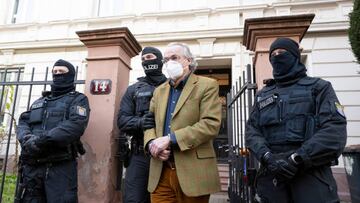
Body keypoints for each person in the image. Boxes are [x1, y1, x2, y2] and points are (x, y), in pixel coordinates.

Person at [245, 37, 347, 203]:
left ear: (294, 56)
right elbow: (252, 132)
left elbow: (334, 132)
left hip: (311, 178)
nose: (277, 56)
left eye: (282, 52)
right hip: (272, 178)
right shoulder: (263, 95)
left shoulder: (319, 88)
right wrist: (267, 157)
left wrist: (297, 158)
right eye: (274, 53)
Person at [144, 42, 222, 203]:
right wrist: (152, 143)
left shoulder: (207, 85)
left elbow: (210, 124)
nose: (169, 63)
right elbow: (148, 122)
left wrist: (170, 139)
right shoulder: (159, 91)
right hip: (161, 171)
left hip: (194, 170)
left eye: (174, 57)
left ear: (188, 60)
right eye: (166, 60)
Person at [16, 59, 90, 203]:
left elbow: (75, 125)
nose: (57, 74)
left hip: (60, 167)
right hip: (33, 167)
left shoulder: (78, 99)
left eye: (61, 72)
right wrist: (26, 139)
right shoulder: (39, 101)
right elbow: (24, 121)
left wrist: (41, 141)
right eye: (55, 72)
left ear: (71, 75)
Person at [117, 46, 167, 203]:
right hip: (140, 155)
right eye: (143, 59)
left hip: (169, 154)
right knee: (134, 199)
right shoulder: (133, 90)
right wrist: (140, 122)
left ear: (160, 60)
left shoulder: (173, 86)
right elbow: (122, 120)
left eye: (150, 57)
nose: (146, 61)